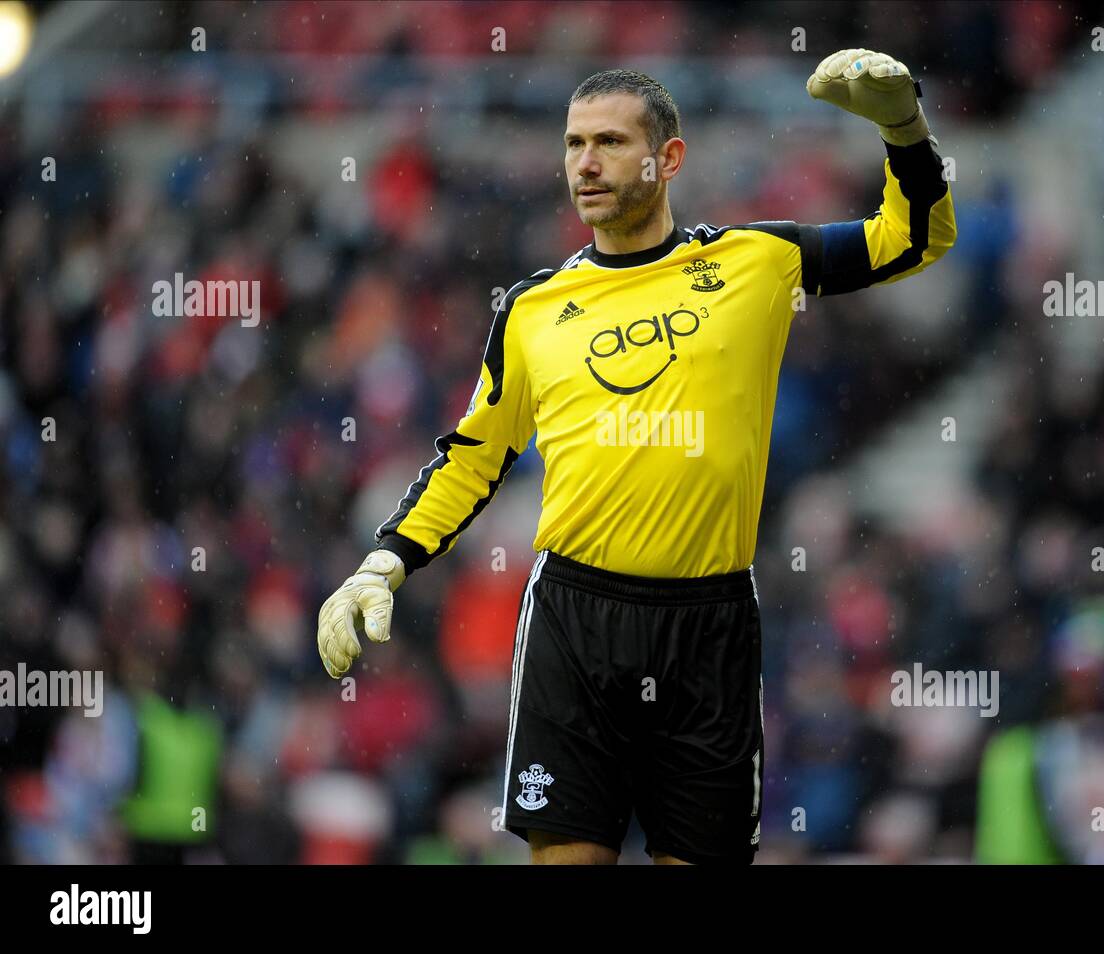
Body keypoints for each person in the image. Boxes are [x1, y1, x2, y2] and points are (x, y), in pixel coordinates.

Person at [317, 48, 956, 865]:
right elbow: (473, 455)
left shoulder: (755, 262)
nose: (586, 161)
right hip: (575, 623)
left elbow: (917, 238)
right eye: (575, 143)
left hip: (709, 627)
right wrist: (385, 562)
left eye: (612, 142)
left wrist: (903, 128)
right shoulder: (532, 311)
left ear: (669, 158)